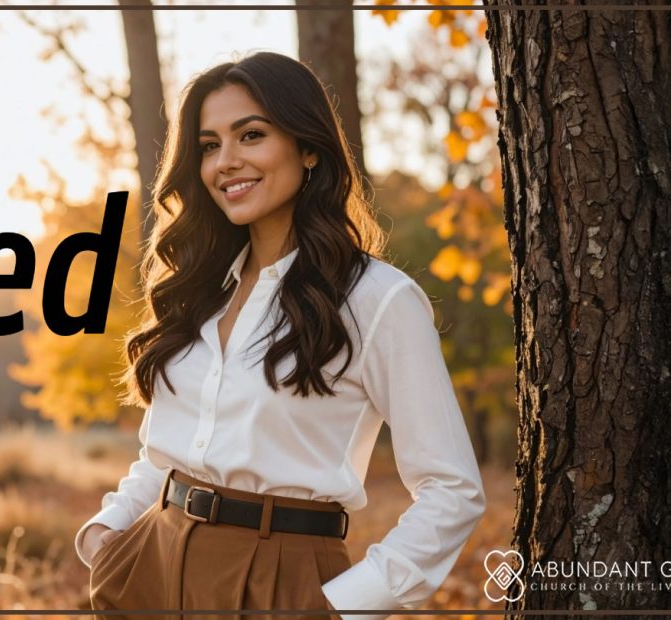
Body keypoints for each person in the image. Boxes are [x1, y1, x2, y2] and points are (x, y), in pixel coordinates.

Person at [73, 51, 486, 620]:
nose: (226, 162)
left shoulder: (377, 299)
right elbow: (165, 453)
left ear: (309, 147)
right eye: (210, 145)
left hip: (281, 584)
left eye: (251, 135)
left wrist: (345, 606)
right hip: (150, 566)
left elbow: (452, 489)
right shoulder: (197, 287)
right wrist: (106, 536)